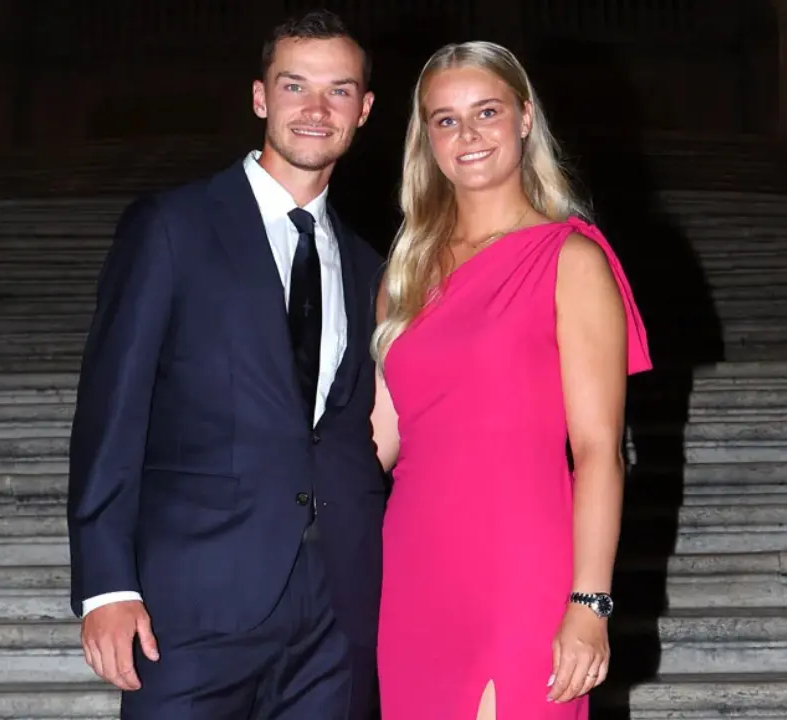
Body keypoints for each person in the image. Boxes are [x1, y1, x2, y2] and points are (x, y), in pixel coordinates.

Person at [66, 10, 386, 719]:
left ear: (363, 110)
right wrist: (107, 586)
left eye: (338, 91)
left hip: (337, 608)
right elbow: (111, 411)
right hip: (193, 605)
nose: (315, 108)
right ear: (259, 97)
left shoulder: (370, 265)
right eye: (294, 85)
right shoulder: (172, 227)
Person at [369, 41, 653, 719]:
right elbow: (377, 439)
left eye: (486, 112)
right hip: (415, 565)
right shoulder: (403, 274)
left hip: (523, 561)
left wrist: (589, 602)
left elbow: (598, 450)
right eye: (444, 119)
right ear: (425, 138)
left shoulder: (571, 259)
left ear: (524, 118)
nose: (467, 135)